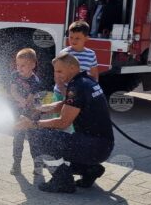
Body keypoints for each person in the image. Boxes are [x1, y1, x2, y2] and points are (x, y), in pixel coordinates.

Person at [16, 52, 114, 193]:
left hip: (93, 147)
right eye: (55, 71)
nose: (57, 75)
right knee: (56, 140)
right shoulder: (86, 81)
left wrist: (32, 124)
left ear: (73, 68)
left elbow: (63, 122)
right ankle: (90, 169)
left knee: (41, 137)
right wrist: (40, 110)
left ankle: (62, 182)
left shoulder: (77, 87)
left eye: (60, 71)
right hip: (100, 146)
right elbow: (63, 105)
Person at [9, 48, 45, 176]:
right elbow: (13, 91)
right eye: (18, 64)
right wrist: (20, 99)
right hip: (18, 113)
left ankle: (38, 166)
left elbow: (31, 98)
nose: (19, 68)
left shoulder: (35, 81)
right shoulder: (15, 75)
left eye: (23, 65)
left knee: (34, 140)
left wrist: (25, 103)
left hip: (32, 114)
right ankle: (16, 164)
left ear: (33, 65)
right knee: (17, 139)